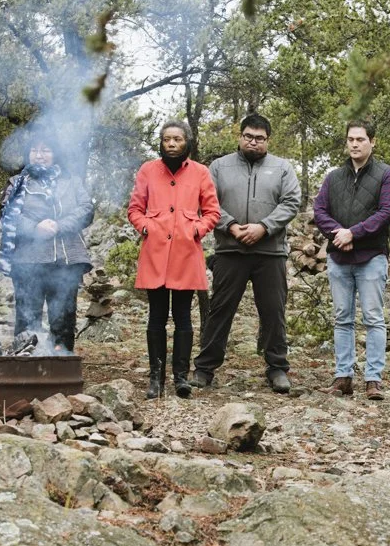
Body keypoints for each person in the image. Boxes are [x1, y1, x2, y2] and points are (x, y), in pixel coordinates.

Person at [189, 114, 301, 393]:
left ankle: (277, 368)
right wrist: (232, 226)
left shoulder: (282, 168)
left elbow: (291, 202)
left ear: (267, 141)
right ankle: (204, 368)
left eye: (260, 138)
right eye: (249, 136)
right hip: (230, 250)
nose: (254, 142)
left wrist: (264, 227)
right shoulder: (219, 167)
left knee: (273, 312)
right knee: (220, 311)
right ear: (239, 137)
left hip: (271, 252)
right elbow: (207, 202)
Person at [128, 120, 220, 399]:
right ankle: (155, 378)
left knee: (183, 318)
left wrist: (197, 229)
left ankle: (180, 377)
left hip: (185, 253)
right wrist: (146, 226)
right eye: (167, 139)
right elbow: (134, 208)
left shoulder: (201, 172)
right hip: (155, 253)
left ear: (187, 142)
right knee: (156, 317)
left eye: (177, 139)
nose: (171, 143)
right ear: (161, 142)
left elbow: (212, 212)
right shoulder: (147, 170)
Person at [313, 119, 390, 400]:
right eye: (351, 139)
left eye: (360, 139)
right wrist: (338, 234)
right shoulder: (334, 177)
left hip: (371, 256)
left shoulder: (387, 175)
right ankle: (343, 377)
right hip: (338, 258)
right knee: (342, 318)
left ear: (372, 142)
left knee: (374, 318)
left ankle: (373, 379)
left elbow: (386, 212)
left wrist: (354, 233)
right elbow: (319, 210)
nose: (354, 144)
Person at [0, 131, 94, 352]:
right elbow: (7, 212)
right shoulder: (17, 182)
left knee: (63, 320)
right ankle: (25, 372)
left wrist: (59, 225)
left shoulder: (71, 181)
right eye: (34, 150)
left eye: (45, 150)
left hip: (65, 260)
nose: (39, 155)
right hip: (27, 262)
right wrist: (35, 229)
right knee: (26, 319)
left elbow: (86, 210)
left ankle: (62, 369)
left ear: (55, 154)